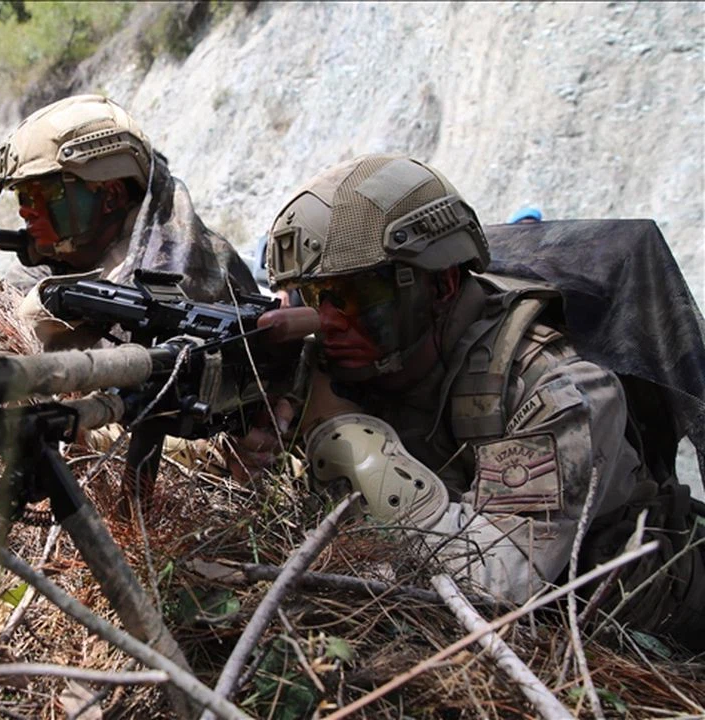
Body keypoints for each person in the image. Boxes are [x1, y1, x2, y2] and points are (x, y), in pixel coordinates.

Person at [236, 154, 703, 648]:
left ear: (443, 284)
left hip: (652, 631)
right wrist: (257, 458)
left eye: (353, 294)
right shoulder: (354, 361)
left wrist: (341, 435)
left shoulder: (561, 389)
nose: (326, 321)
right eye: (310, 296)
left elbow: (497, 583)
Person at [0, 94, 258, 344]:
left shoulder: (170, 277)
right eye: (23, 194)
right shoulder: (83, 256)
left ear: (111, 193)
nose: (26, 209)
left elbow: (69, 386)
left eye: (44, 192)